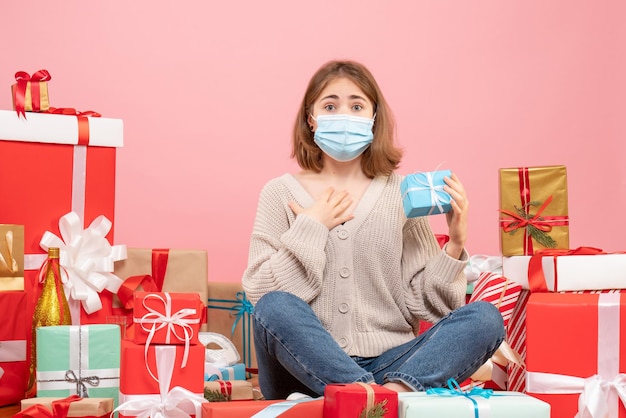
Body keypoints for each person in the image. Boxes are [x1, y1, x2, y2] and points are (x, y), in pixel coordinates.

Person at [242, 59, 504, 400]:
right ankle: (380, 399)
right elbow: (260, 293)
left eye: (356, 105)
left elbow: (427, 307)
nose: (344, 115)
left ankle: (373, 398)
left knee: (485, 318)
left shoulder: (400, 193)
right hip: (301, 366)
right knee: (275, 306)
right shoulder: (278, 192)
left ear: (373, 117)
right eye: (331, 105)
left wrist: (455, 244)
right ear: (311, 118)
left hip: (392, 363)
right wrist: (310, 227)